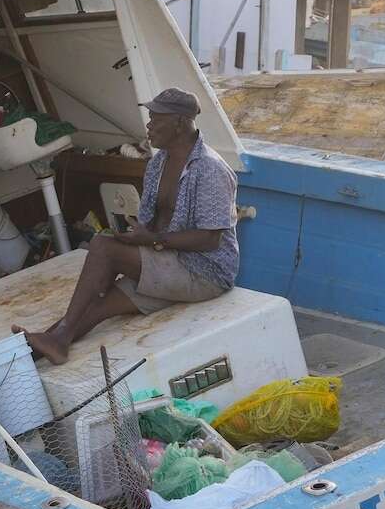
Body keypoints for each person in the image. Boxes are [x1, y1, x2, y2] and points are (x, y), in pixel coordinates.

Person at [16, 88, 239, 365]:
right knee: (97, 303)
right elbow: (151, 221)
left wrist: (152, 240)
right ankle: (20, 356)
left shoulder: (210, 169)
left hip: (204, 272)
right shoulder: (159, 162)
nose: (148, 124)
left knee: (103, 249)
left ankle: (56, 338)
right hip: (168, 262)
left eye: (155, 118)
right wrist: (135, 236)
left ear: (180, 123)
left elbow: (209, 239)